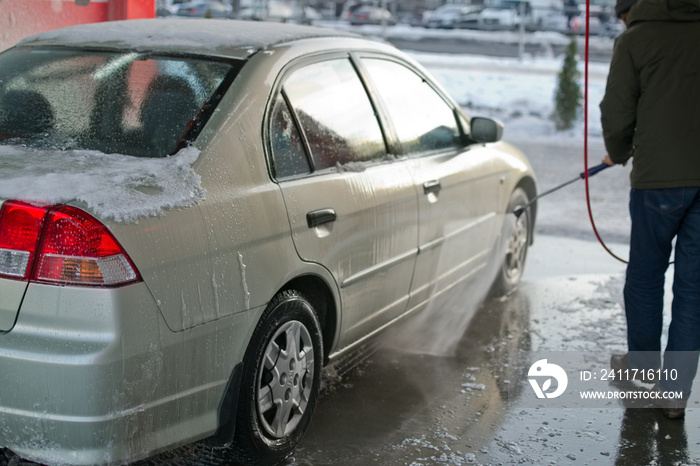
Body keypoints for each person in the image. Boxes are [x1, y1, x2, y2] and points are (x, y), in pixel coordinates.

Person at [600, 0, 700, 419]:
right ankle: (674, 392)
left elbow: (617, 112)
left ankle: (642, 377)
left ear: (631, 9)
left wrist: (619, 151)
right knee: (694, 285)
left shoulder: (635, 40)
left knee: (645, 275)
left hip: (659, 180)